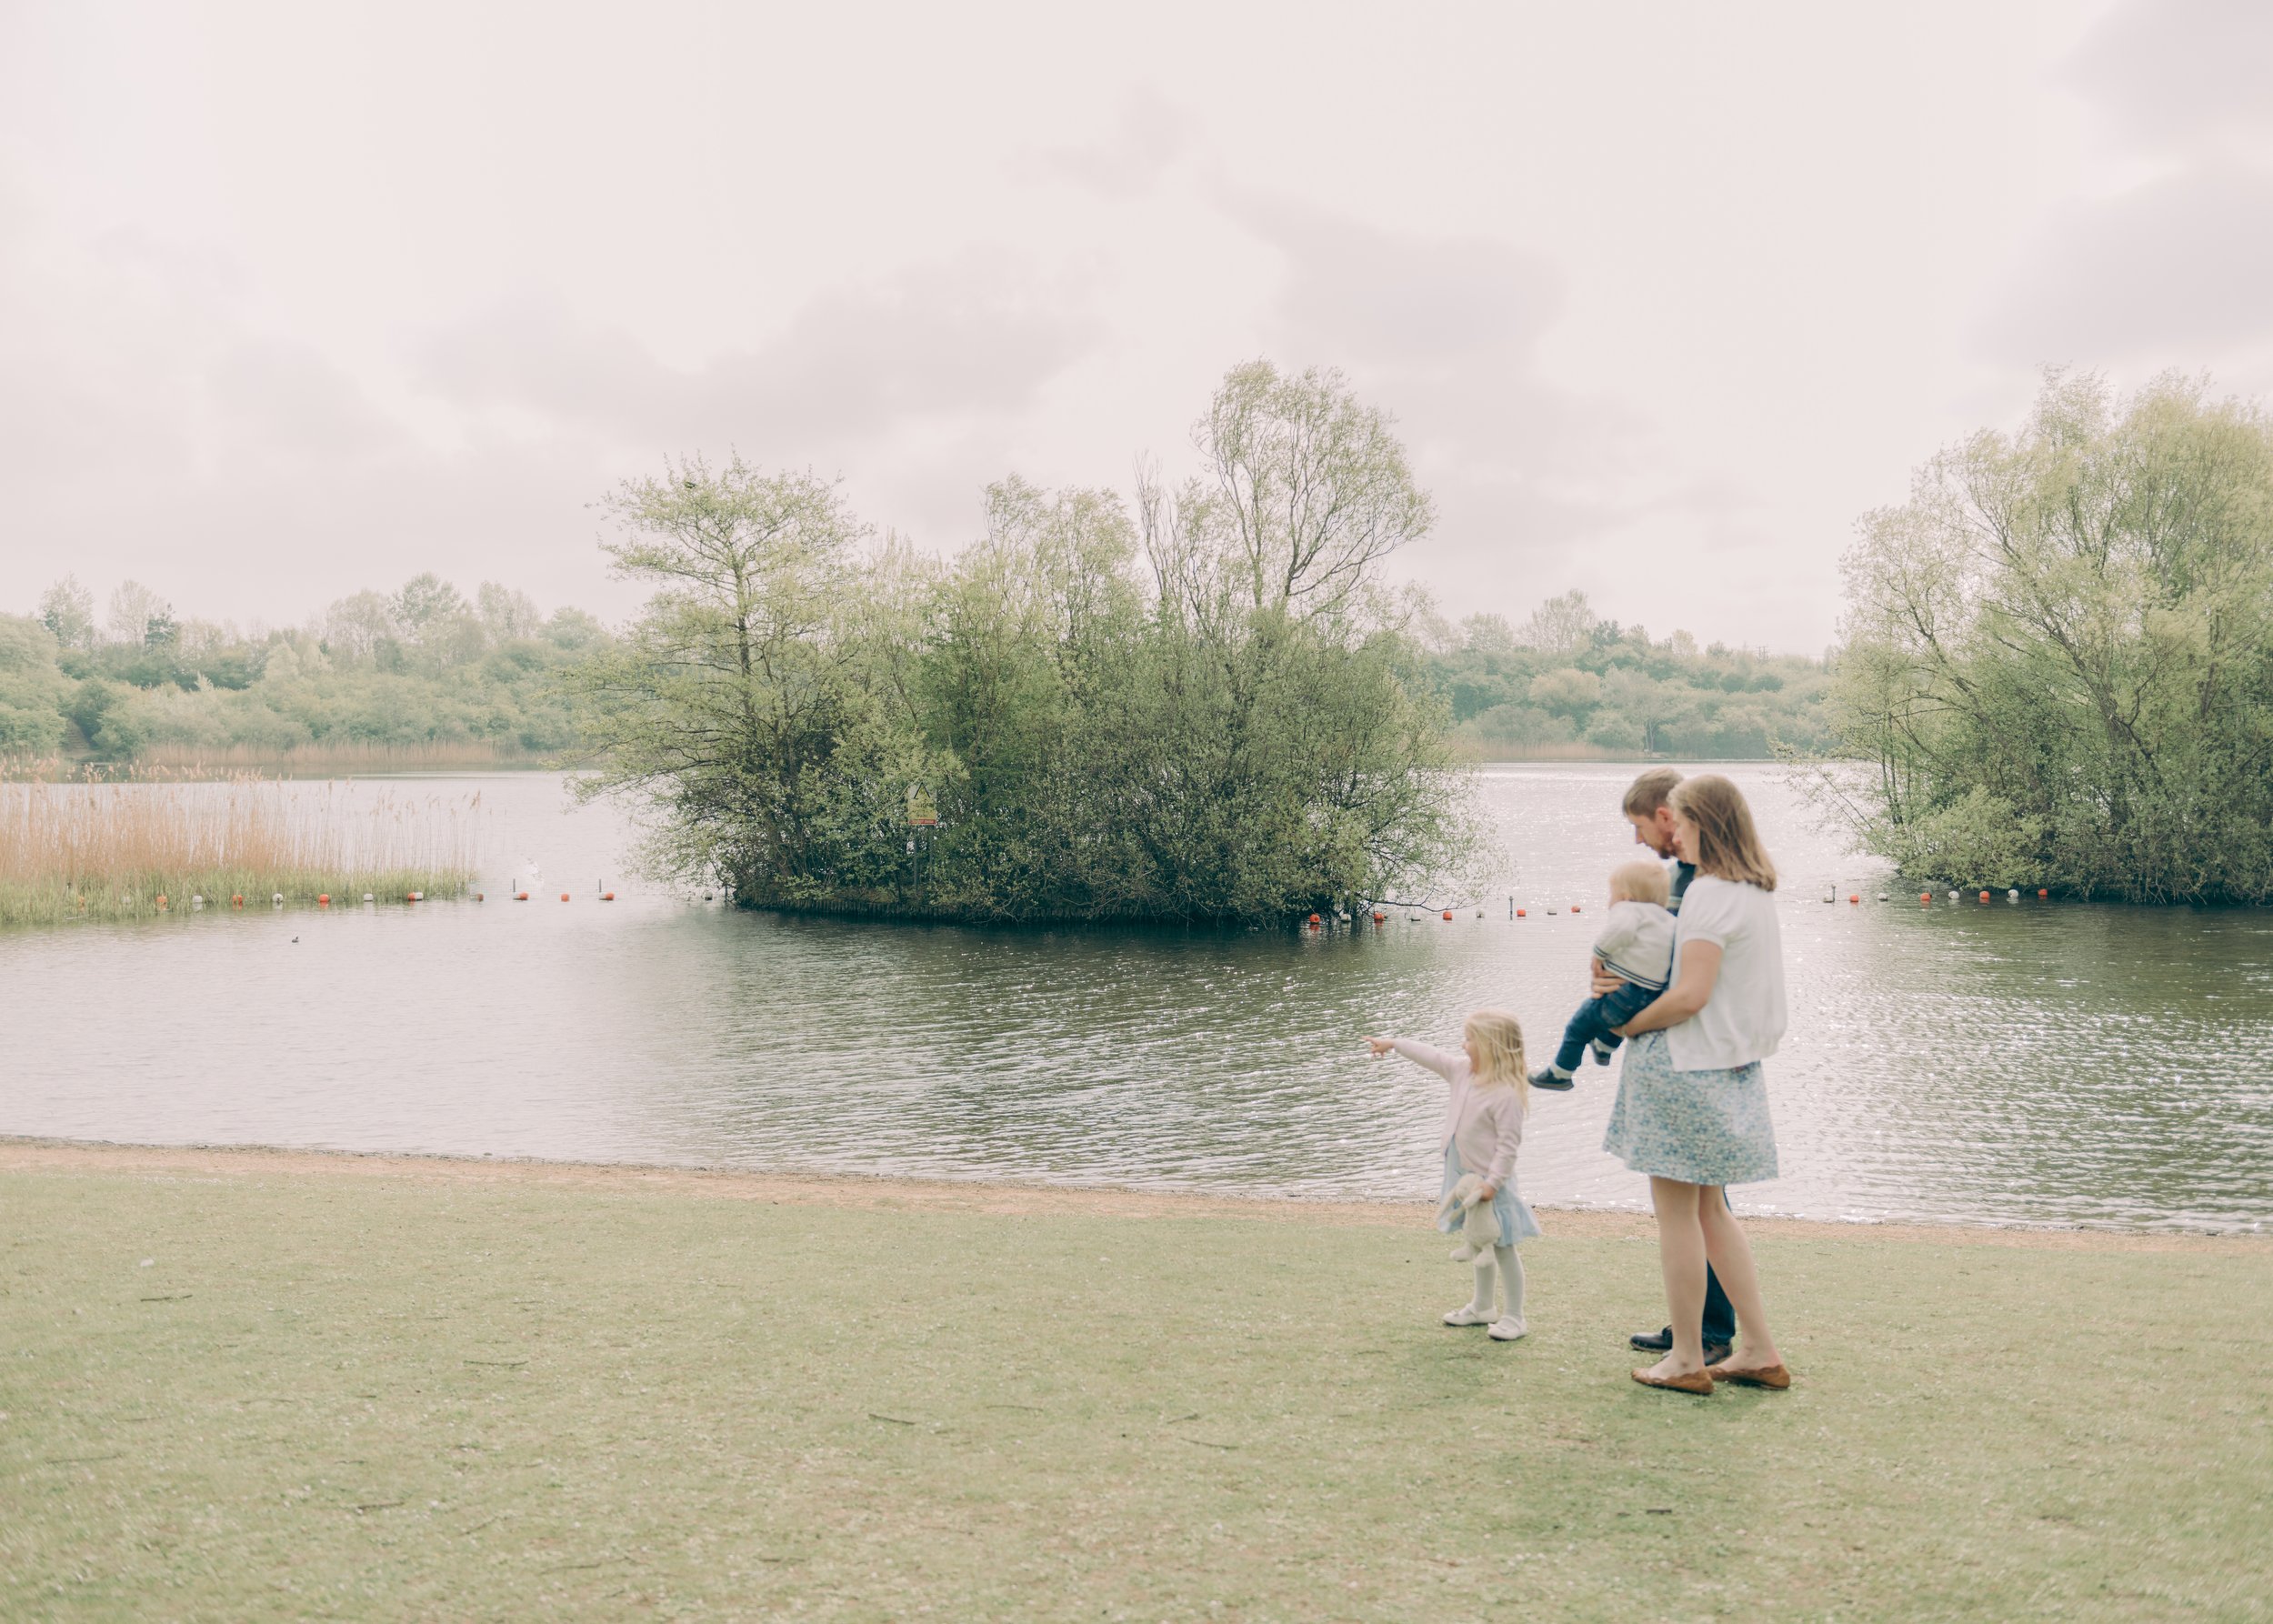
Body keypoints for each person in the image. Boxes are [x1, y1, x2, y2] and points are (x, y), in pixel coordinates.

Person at [1601, 774, 1792, 1394]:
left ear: (1701, 823)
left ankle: (1687, 1357)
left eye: (1677, 824)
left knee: (1677, 1216)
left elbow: (1689, 995)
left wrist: (1627, 1023)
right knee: (1711, 1211)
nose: (1670, 835)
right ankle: (1757, 1348)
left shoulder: (1708, 894)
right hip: (1732, 1067)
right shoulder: (1756, 891)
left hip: (1686, 1064)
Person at [1596, 767, 1736, 1367]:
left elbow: (1692, 975)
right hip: (1674, 1049)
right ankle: (1699, 1325)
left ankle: (1706, 1334)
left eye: (1638, 827)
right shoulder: (1675, 880)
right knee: (1698, 1203)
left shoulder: (1704, 884)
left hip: (1695, 1055)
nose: (1639, 843)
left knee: (1700, 1204)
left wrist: (1625, 1016)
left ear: (1664, 815)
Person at [1365, 1012, 1539, 1342]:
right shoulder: (1462, 1071)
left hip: (1491, 1184)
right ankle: (1482, 1307)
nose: (1464, 1045)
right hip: (1464, 1177)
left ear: (1491, 1046)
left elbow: (1508, 1146)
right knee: (1477, 1241)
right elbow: (1432, 1056)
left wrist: (1493, 1184)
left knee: (1502, 1247)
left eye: (1470, 1039)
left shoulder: (1506, 1093)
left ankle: (1515, 1317)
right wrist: (1395, 1044)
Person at [1527, 859, 1675, 1087]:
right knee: (1616, 1017)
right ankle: (1605, 1048)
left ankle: (1561, 1073)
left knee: (1579, 1026)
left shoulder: (1629, 909)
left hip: (1623, 989)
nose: (1610, 902)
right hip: (1653, 994)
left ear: (1625, 896)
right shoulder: (1668, 920)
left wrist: (1599, 953)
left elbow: (1621, 929)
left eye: (1611, 895)